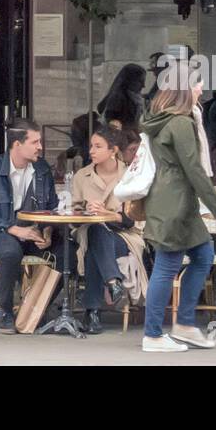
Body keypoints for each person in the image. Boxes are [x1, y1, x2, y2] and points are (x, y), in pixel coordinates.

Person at [140, 61, 216, 352]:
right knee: (167, 266)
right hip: (176, 202)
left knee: (203, 256)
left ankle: (184, 324)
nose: (201, 89)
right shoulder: (180, 122)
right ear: (184, 89)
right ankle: (153, 335)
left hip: (173, 200)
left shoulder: (164, 117)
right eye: (197, 84)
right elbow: (193, 169)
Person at [0, 118, 72, 334]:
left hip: (33, 232)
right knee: (9, 252)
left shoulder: (42, 169)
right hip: (1, 231)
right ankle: (5, 311)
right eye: (35, 142)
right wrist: (13, 228)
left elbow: (52, 207)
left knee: (68, 252)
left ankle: (37, 306)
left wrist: (48, 231)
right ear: (17, 145)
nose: (40, 147)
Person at [72, 126, 147, 334]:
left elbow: (136, 220)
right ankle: (113, 281)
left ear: (113, 150)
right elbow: (73, 214)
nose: (91, 151)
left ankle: (93, 312)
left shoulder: (131, 175)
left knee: (97, 243)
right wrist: (87, 212)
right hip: (89, 231)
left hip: (124, 236)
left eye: (98, 146)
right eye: (90, 146)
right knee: (96, 233)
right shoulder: (81, 176)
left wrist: (106, 213)